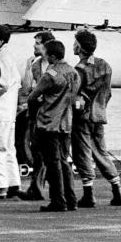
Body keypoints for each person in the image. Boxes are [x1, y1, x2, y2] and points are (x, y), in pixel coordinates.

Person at [71, 30, 121, 208]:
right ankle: (117, 191)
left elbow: (77, 96)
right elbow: (108, 92)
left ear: (79, 46)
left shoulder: (79, 69)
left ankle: (89, 194)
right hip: (100, 115)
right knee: (102, 152)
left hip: (83, 117)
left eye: (75, 42)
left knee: (83, 153)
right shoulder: (104, 65)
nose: (73, 45)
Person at [26, 39, 80, 212]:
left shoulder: (51, 74)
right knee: (64, 161)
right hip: (66, 122)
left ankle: (58, 200)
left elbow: (32, 97)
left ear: (52, 56)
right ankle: (71, 199)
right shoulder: (74, 73)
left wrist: (37, 109)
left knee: (52, 162)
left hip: (49, 122)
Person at [16, 31, 54, 201]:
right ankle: (36, 188)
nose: (34, 46)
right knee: (37, 152)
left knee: (51, 153)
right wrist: (27, 68)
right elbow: (26, 90)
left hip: (51, 115)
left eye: (38, 43)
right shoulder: (35, 65)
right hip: (36, 113)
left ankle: (54, 190)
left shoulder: (56, 67)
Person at [0, 25, 24, 200]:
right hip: (9, 111)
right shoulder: (8, 55)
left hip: (1, 109)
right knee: (9, 147)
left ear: (0, 40)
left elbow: (2, 84)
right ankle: (13, 182)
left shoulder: (1, 57)